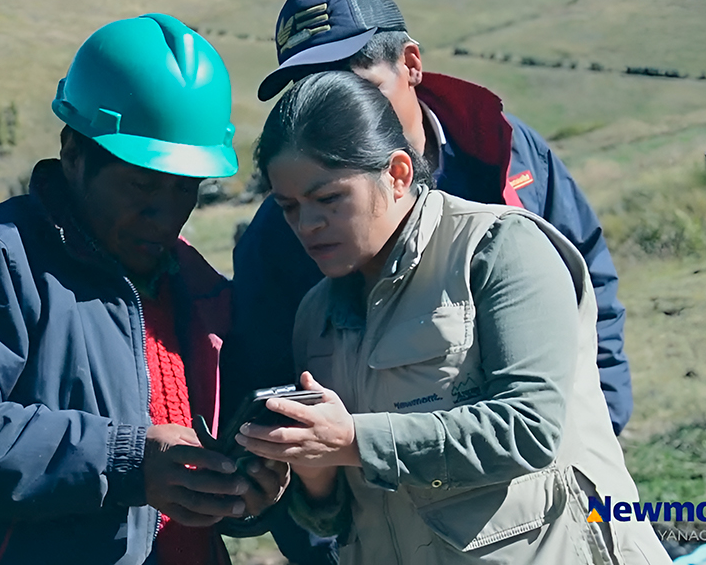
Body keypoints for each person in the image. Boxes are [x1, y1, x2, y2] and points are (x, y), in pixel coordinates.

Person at [0, 14, 288, 565]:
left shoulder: (197, 287)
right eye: (141, 183)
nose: (165, 213)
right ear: (74, 152)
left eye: (186, 188)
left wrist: (245, 495)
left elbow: (201, 474)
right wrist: (125, 462)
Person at [236, 71, 670, 565]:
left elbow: (528, 430)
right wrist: (315, 470)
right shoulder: (315, 316)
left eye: (329, 199)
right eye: (289, 208)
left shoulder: (499, 249)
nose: (308, 225)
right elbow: (335, 519)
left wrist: (354, 441)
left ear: (398, 174)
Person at [222, 0, 631, 464]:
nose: (344, 108)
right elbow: (275, 384)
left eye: (357, 84)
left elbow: (587, 281)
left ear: (410, 64)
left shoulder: (505, 155)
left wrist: (602, 415)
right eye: (315, 91)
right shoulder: (281, 231)